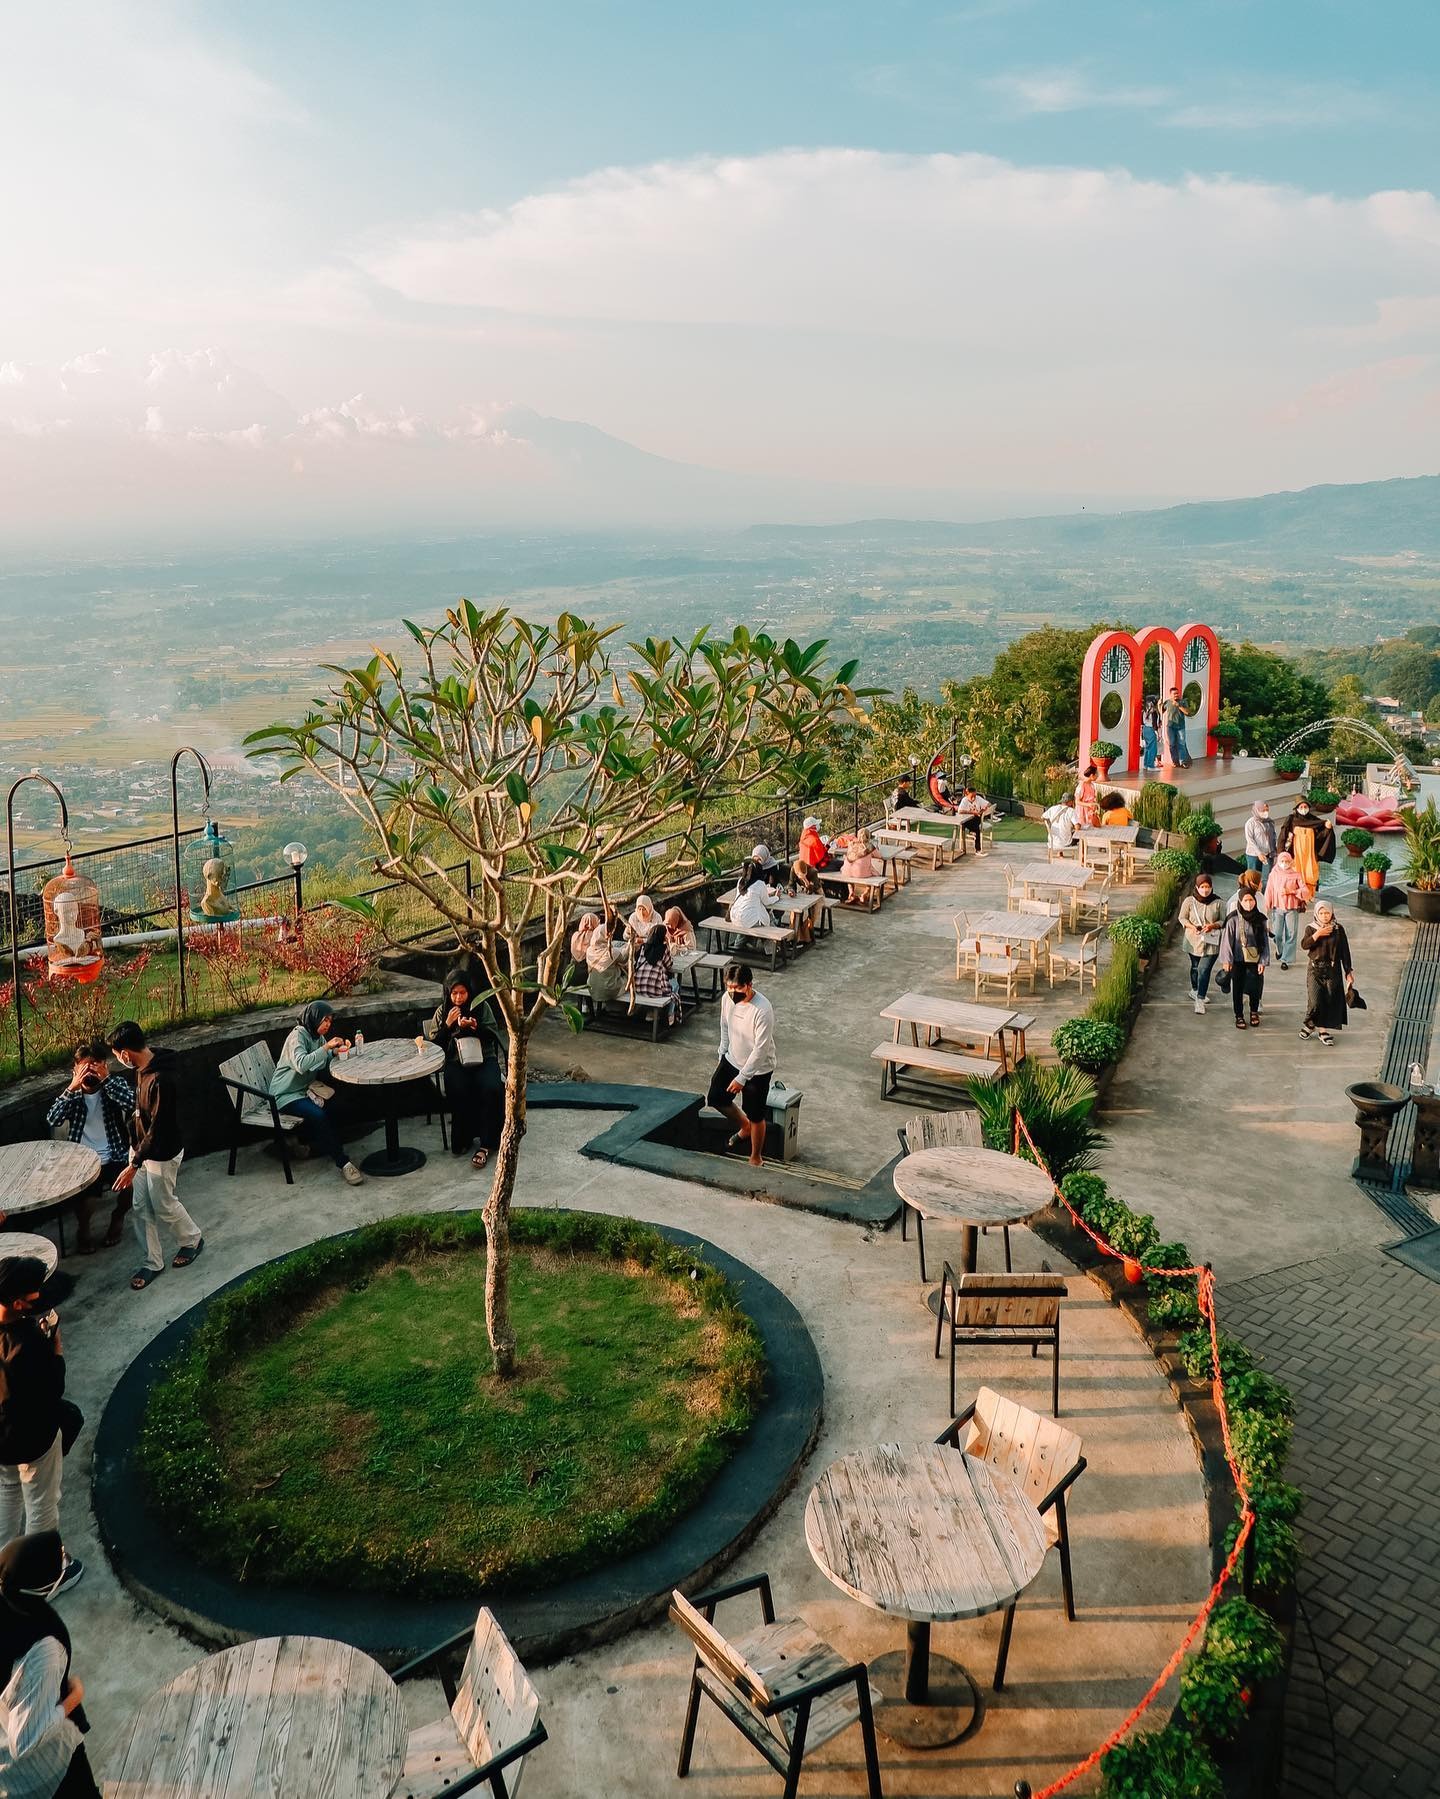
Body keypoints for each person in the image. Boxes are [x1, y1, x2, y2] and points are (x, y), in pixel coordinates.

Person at [0, 1259, 81, 1596]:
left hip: (1, 1440)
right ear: (19, 1303)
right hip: (32, 1438)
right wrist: (56, 1350)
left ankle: (5, 1562)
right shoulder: (29, 1343)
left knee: (7, 1492)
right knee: (42, 1502)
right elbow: (51, 1390)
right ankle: (39, 1578)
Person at [0, 1531, 99, 1797]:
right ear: (42, 1586)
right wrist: (74, 1697)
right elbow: (25, 1738)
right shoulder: (44, 1649)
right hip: (48, 1771)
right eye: (61, 1560)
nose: (66, 1559)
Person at [107, 1022, 204, 1292]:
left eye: (116, 1055)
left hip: (162, 1152)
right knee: (140, 1207)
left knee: (163, 1204)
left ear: (126, 1053)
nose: (118, 1060)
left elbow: (159, 1128)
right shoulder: (143, 1067)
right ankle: (152, 1262)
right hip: (140, 1148)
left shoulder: (162, 1079)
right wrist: (135, 1154)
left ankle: (192, 1239)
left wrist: (133, 1165)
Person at [43, 1045, 133, 1254]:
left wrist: (106, 1079)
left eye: (95, 1066)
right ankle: (83, 1229)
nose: (90, 1073)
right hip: (84, 1160)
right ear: (75, 1069)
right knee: (87, 1201)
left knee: (131, 1188)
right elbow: (52, 1119)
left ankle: (117, 1218)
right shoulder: (72, 1095)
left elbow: (133, 1103)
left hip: (115, 1153)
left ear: (104, 1066)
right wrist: (72, 1088)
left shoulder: (114, 1085)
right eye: (85, 1068)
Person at [267, 1003, 365, 1188]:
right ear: (313, 1018)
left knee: (338, 1105)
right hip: (285, 1095)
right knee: (318, 1115)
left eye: (330, 1020)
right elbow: (302, 1064)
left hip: (304, 1091)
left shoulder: (316, 1036)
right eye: (324, 1020)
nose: (328, 1024)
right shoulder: (298, 1036)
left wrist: (335, 1051)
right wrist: (327, 1047)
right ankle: (344, 1163)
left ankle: (311, 1145)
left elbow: (322, 1059)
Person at [429, 966, 504, 1169]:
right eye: (454, 993)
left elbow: (495, 1036)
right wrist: (448, 1025)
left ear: (469, 992)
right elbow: (434, 1047)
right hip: (456, 1061)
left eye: (463, 993)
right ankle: (463, 1138)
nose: (459, 998)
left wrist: (476, 1027)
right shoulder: (442, 1011)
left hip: (484, 1059)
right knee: (459, 1088)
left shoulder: (481, 1006)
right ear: (448, 993)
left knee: (491, 1087)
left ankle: (487, 1143)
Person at [708, 964, 776, 1168]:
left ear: (748, 985)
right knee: (716, 1097)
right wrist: (722, 1053)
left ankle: (756, 1156)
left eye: (737, 988)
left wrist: (742, 1078)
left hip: (758, 1069)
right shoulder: (727, 1000)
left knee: (756, 1113)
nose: (733, 993)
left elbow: (760, 1050)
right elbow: (725, 1026)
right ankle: (743, 1126)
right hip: (732, 1058)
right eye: (729, 988)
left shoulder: (762, 1010)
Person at [1299, 901, 1354, 1047]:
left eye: (1327, 913)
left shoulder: (1338, 929)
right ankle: (1311, 1024)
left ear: (1332, 913)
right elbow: (1304, 945)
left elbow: (1344, 951)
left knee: (1328, 1000)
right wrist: (1317, 934)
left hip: (1332, 970)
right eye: (1322, 913)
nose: (1324, 916)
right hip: (1315, 969)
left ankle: (1321, 1030)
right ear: (1317, 914)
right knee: (1315, 999)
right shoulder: (1311, 928)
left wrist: (1348, 971)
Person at [1218, 888, 1270, 1029]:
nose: (1248, 904)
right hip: (1237, 959)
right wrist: (1227, 961)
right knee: (1238, 987)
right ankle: (1239, 1015)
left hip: (1254, 958)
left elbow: (1264, 941)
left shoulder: (1260, 919)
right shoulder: (1233, 918)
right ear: (1240, 901)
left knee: (1255, 986)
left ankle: (1254, 1011)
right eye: (1245, 900)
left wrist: (1263, 961)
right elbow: (1227, 941)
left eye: (1251, 900)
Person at [1179, 872, 1224, 1014]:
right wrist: (1192, 927)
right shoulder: (1189, 902)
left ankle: (1200, 999)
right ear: (1197, 887)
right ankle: (1195, 989)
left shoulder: (1218, 903)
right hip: (1193, 941)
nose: (1205, 890)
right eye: (1202, 887)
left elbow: (1224, 920)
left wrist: (1213, 926)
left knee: (1204, 970)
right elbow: (1182, 918)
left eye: (1208, 887)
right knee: (1195, 967)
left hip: (1211, 942)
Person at [1264, 851, 1311, 970]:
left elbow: (1306, 892)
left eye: (1287, 861)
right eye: (1282, 861)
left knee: (1291, 934)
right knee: (1277, 934)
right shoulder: (1273, 874)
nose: (1284, 864)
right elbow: (1269, 890)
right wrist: (1266, 907)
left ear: (1291, 862)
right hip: (1277, 908)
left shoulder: (1296, 875)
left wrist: (1292, 891)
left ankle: (1286, 959)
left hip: (1292, 909)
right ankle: (1280, 950)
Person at [1278, 799, 1335, 892]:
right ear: (1296, 808)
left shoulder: (1313, 820)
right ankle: (1295, 896)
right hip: (1296, 855)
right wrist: (1280, 853)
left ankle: (1308, 896)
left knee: (1311, 875)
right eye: (1301, 807)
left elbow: (1319, 837)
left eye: (1305, 807)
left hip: (1310, 856)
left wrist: (1328, 829)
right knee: (1295, 875)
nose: (1303, 809)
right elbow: (1283, 835)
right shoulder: (1291, 819)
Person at [631, 923, 681, 1024]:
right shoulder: (663, 949)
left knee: (655, 982)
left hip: (639, 987)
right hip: (654, 991)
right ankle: (669, 1014)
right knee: (675, 984)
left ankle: (649, 1012)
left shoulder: (643, 947)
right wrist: (667, 946)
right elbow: (669, 965)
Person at [585, 912, 629, 1006]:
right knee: (628, 980)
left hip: (592, 989)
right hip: (610, 990)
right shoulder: (612, 952)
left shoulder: (589, 951)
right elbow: (625, 959)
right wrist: (629, 945)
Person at [837, 829, 883, 904]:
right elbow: (879, 856)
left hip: (846, 871)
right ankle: (865, 893)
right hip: (861, 873)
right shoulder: (869, 846)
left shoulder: (851, 844)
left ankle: (851, 893)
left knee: (849, 872)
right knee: (876, 875)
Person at [790, 817, 830, 893]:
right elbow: (821, 854)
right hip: (814, 867)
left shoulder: (803, 839)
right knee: (838, 865)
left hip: (805, 866)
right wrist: (827, 845)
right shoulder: (814, 839)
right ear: (813, 827)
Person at [1244, 802, 1277, 884]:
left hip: (1268, 854)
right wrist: (1259, 853)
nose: (1265, 812)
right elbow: (1250, 839)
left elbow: (1273, 837)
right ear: (1256, 810)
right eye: (1263, 810)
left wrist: (1274, 852)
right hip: (1254, 855)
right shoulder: (1251, 823)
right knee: (1253, 878)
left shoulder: (1269, 822)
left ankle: (1264, 895)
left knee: (1266, 878)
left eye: (1267, 810)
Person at [953, 786, 992, 854]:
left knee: (976, 826)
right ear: (967, 794)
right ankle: (978, 849)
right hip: (966, 820)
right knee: (976, 829)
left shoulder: (978, 798)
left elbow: (989, 804)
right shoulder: (964, 800)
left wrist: (984, 809)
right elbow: (960, 811)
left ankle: (976, 846)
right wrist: (973, 812)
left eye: (975, 795)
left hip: (976, 819)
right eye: (972, 796)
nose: (974, 798)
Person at [1163, 687, 1191, 768]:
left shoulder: (1183, 702)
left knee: (1181, 744)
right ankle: (1175, 761)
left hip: (1180, 727)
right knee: (1172, 744)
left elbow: (1187, 712)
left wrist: (1179, 706)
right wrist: (1159, 705)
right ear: (1170, 694)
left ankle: (1183, 762)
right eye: (1174, 694)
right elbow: (1161, 712)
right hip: (1170, 727)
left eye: (1177, 693)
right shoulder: (1167, 702)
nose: (1176, 695)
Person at [1074, 764, 1101, 829]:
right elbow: (1077, 802)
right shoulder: (1081, 786)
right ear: (1092, 775)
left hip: (1090, 811)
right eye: (1096, 774)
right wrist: (1088, 804)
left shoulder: (1092, 785)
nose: (1098, 776)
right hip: (1082, 812)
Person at [1140, 696, 1161, 772]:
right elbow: (1154, 723)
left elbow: (1142, 722)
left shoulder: (1144, 711)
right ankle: (1150, 765)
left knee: (1147, 748)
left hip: (1145, 729)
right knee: (1153, 749)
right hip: (1151, 730)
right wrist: (1157, 733)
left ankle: (1145, 764)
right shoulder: (1154, 712)